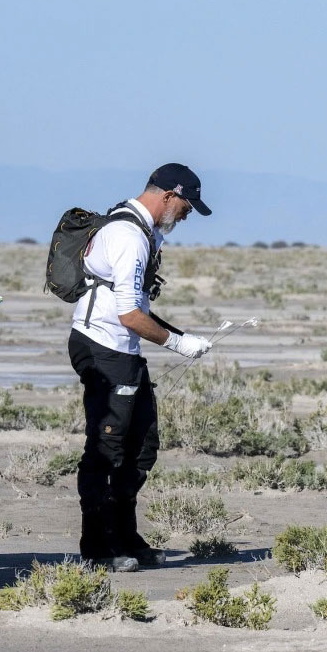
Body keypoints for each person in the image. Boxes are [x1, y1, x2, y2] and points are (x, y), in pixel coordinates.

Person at [69, 163, 215, 571]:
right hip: (103, 347)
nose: (186, 215)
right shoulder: (129, 236)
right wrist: (178, 343)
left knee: (141, 445)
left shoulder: (141, 230)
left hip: (123, 349)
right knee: (107, 447)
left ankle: (125, 536)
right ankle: (96, 547)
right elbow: (129, 314)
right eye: (186, 206)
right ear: (169, 195)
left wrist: (179, 336)